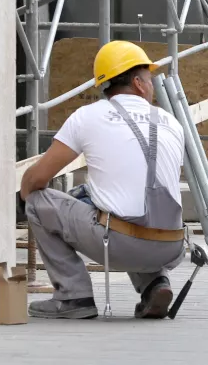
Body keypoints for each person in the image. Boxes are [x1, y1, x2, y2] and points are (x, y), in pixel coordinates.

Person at [19, 41, 186, 320]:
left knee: (39, 201)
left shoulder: (88, 116)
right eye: (150, 79)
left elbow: (37, 178)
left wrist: (24, 198)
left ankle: (73, 297)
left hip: (119, 243)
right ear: (138, 84)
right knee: (130, 208)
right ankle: (155, 283)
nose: (152, 87)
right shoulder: (171, 122)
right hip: (171, 245)